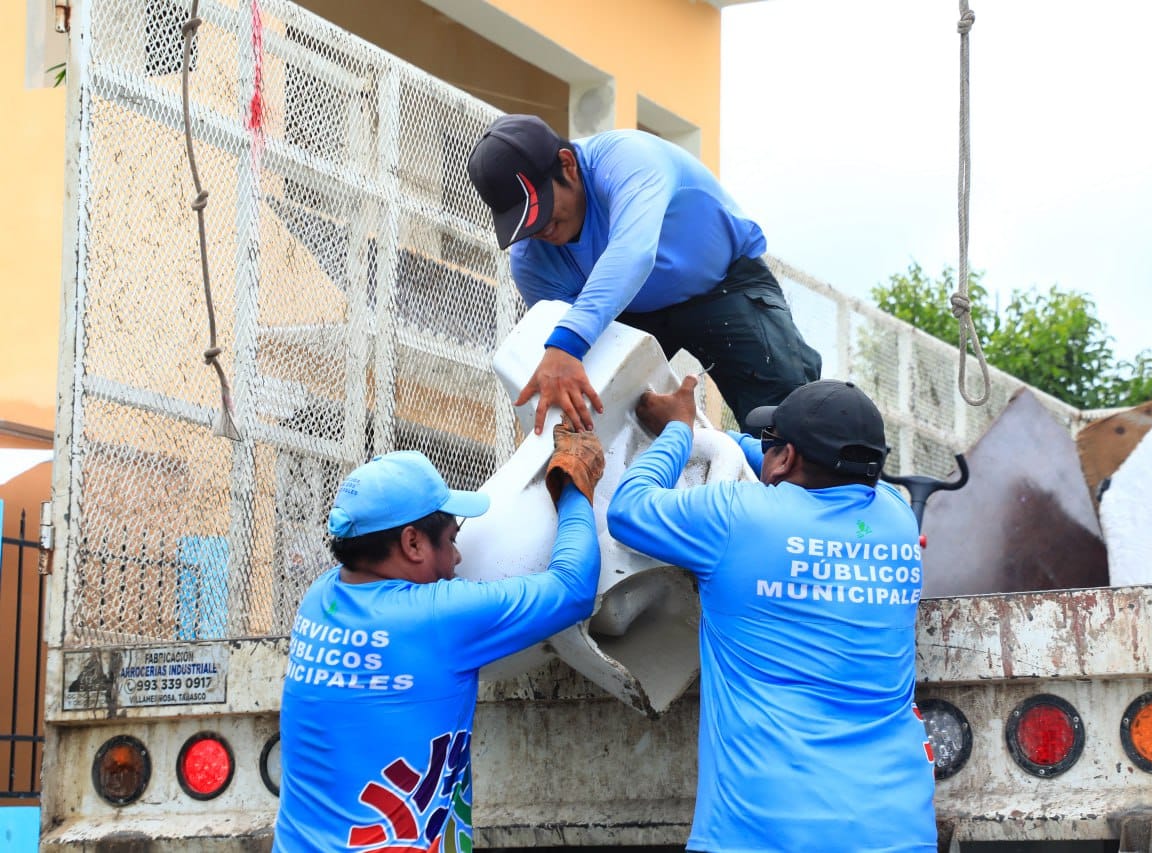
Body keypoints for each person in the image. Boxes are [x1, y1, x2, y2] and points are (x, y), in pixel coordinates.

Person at [607, 378, 936, 852]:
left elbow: (628, 508)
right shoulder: (896, 517)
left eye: (774, 445)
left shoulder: (735, 517)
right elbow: (804, 466)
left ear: (785, 459)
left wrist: (678, 433)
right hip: (897, 831)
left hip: (763, 833)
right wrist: (713, 433)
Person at [273, 435, 604, 852]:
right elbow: (574, 588)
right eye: (450, 539)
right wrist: (574, 485)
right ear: (412, 543)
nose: (457, 558)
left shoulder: (320, 599)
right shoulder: (437, 618)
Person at [466, 113, 821, 436]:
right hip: (628, 315)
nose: (539, 229)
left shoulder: (626, 159)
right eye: (523, 224)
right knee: (591, 415)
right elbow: (563, 361)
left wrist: (565, 343)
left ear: (567, 164)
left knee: (787, 411)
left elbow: (633, 252)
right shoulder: (530, 259)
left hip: (723, 283)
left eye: (542, 210)